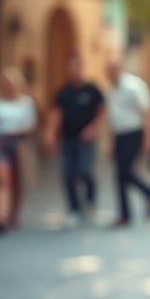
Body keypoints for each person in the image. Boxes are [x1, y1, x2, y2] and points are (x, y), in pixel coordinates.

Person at [44, 53, 105, 228]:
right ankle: (74, 209)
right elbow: (55, 114)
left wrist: (93, 129)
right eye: (71, 67)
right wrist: (50, 133)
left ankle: (90, 200)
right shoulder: (63, 92)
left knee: (85, 170)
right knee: (68, 173)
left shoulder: (92, 90)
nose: (74, 70)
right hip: (68, 139)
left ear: (82, 67)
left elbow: (102, 112)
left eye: (77, 66)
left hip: (86, 139)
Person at [0, 67, 37, 235]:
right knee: (3, 181)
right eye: (5, 83)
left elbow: (31, 125)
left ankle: (14, 214)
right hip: (1, 143)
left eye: (11, 83)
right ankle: (2, 217)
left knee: (17, 182)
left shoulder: (26, 102)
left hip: (19, 143)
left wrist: (19, 131)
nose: (8, 86)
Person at [105, 58, 150, 228]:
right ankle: (126, 213)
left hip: (133, 133)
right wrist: (111, 142)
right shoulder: (110, 91)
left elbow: (147, 111)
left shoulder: (134, 86)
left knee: (124, 172)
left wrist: (148, 138)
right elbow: (113, 119)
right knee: (120, 175)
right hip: (120, 135)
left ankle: (147, 193)